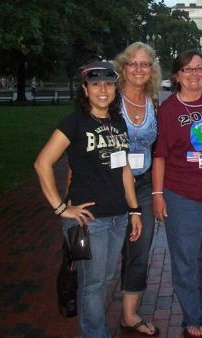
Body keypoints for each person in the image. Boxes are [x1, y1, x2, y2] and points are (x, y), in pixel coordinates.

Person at [34, 61, 142, 338]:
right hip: (89, 220)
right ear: (85, 89)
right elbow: (42, 163)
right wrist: (61, 209)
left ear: (115, 89)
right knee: (92, 284)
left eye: (108, 84)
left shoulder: (118, 122)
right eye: (95, 84)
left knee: (104, 280)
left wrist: (134, 210)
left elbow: (125, 169)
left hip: (118, 216)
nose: (102, 90)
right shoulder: (73, 123)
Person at [152, 50, 202, 338]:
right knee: (185, 256)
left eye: (199, 69)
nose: (194, 74)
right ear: (176, 75)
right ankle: (191, 315)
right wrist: (158, 194)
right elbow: (160, 155)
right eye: (187, 70)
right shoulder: (169, 110)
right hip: (181, 192)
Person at [115, 43, 161, 336]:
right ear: (122, 67)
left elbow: (158, 149)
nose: (139, 69)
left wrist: (158, 190)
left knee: (139, 248)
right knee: (109, 252)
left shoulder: (152, 102)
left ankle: (129, 314)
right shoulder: (109, 99)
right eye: (133, 63)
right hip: (110, 185)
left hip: (142, 183)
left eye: (145, 64)